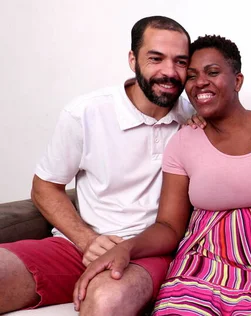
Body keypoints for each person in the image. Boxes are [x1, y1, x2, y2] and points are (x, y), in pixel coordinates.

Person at [73, 34, 251, 315]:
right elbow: (169, 226)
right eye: (191, 76)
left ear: (237, 81)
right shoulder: (183, 141)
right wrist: (127, 248)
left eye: (212, 72)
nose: (200, 82)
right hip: (200, 267)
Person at [0, 16, 194, 315]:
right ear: (133, 59)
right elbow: (44, 186)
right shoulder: (86, 113)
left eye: (180, 62)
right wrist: (87, 240)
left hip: (147, 252)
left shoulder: (196, 117)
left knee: (107, 301)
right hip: (77, 248)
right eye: (156, 58)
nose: (169, 72)